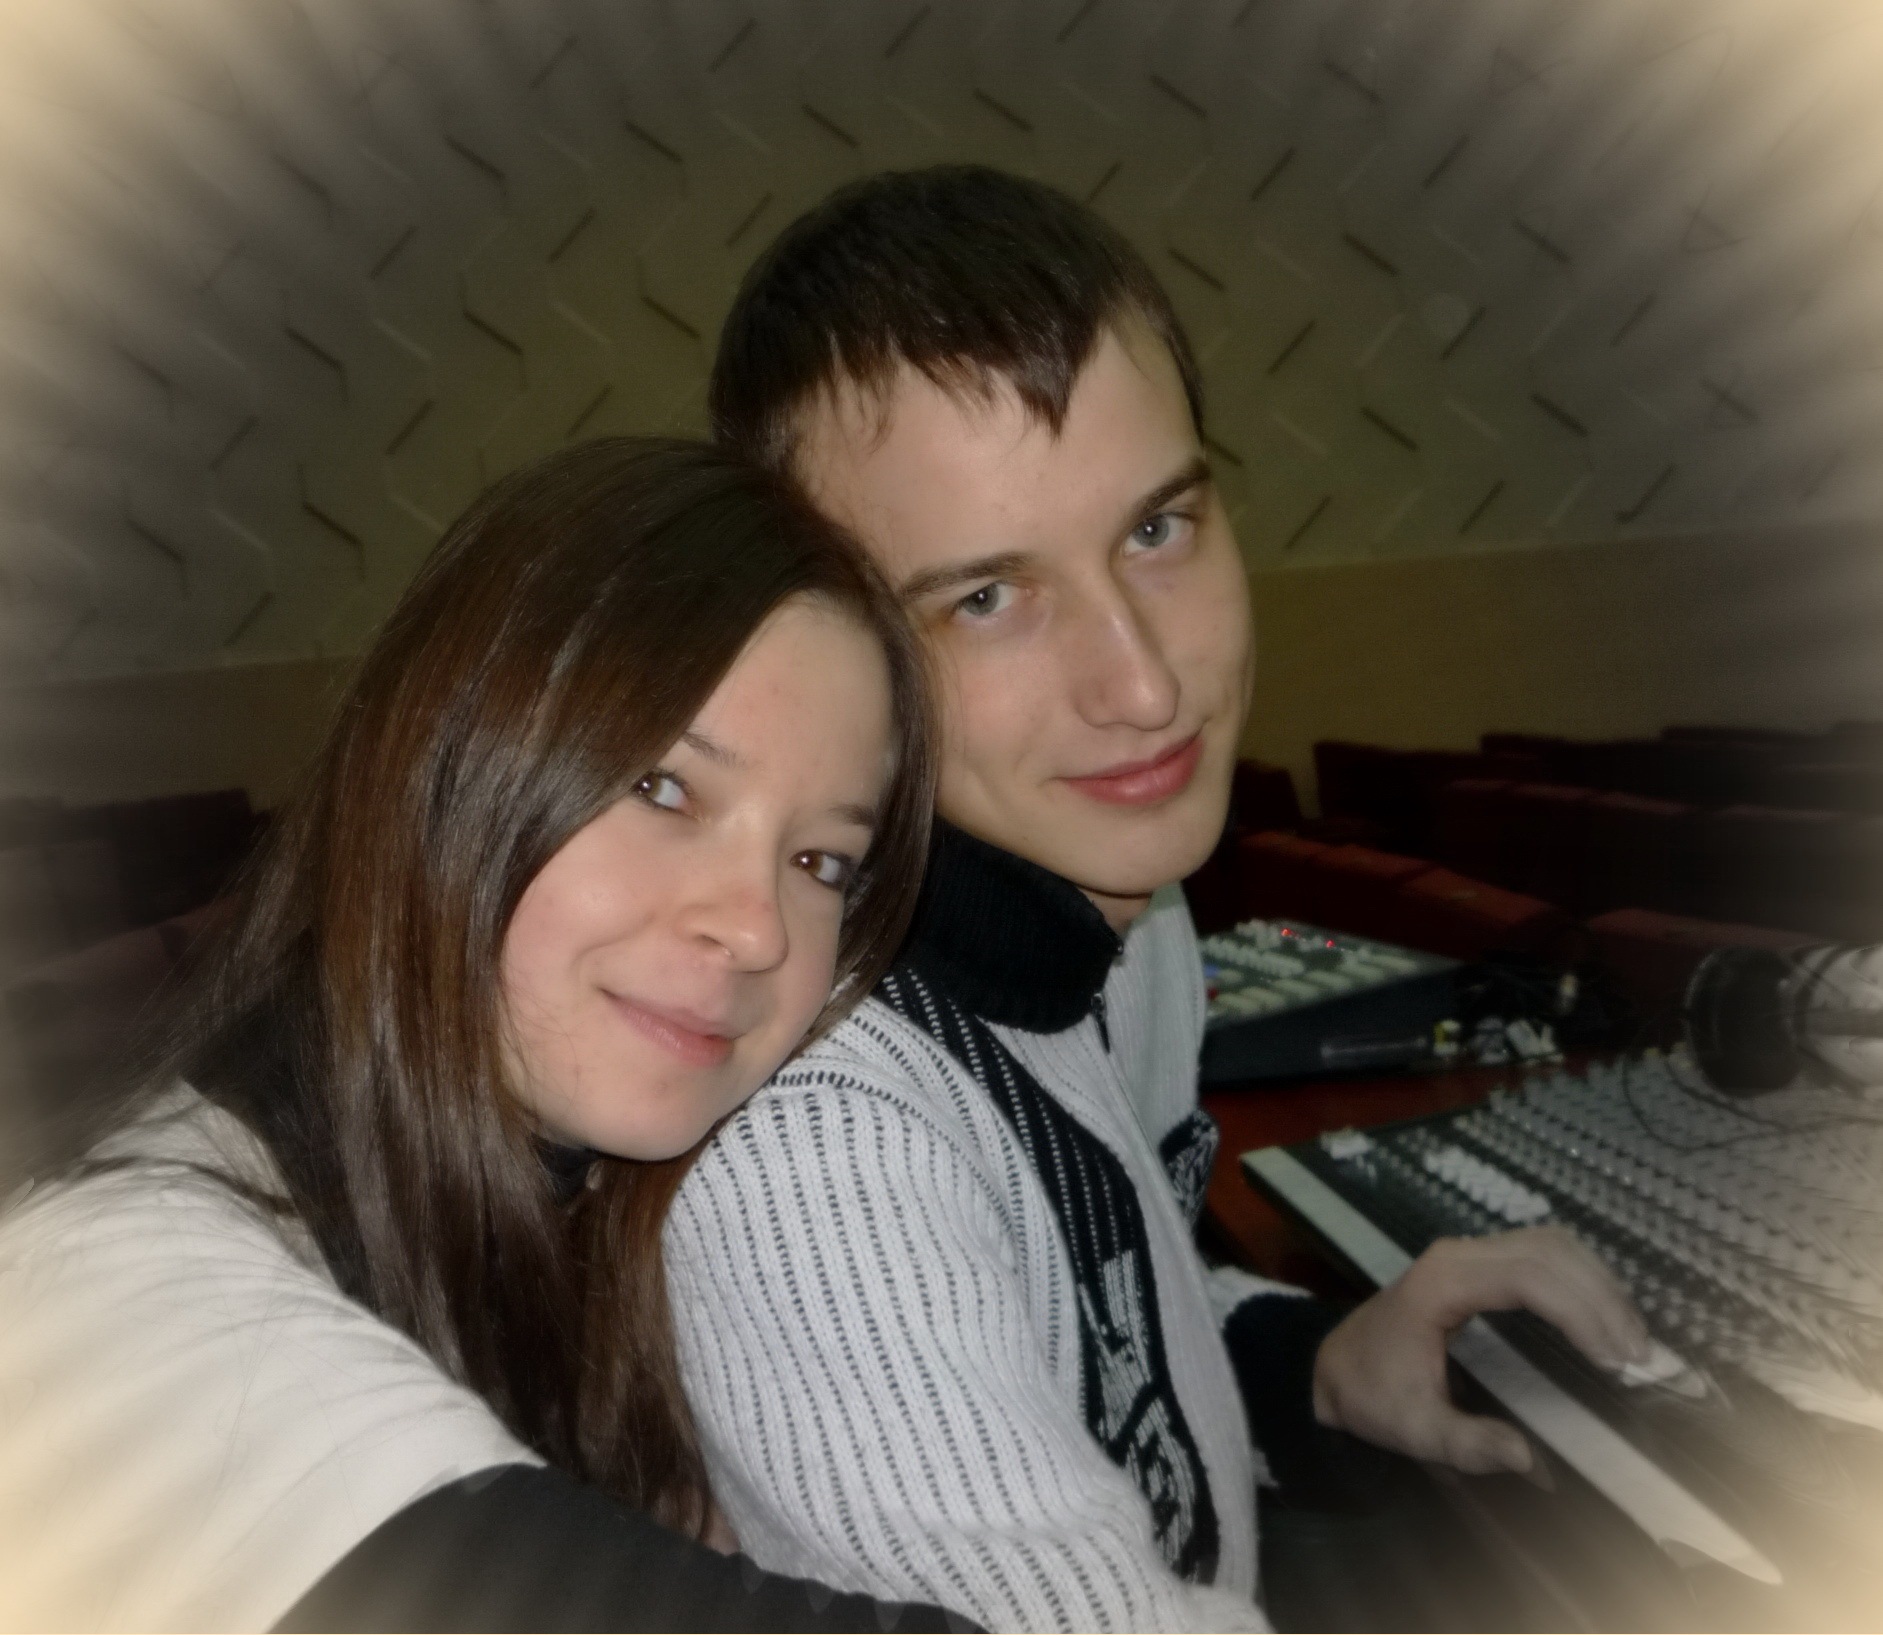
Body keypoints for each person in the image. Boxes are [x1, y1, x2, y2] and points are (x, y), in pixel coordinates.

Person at [664, 167, 1655, 1631]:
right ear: (822, 653)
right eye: (984, 598)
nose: (1141, 685)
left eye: (1154, 529)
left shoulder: (1130, 924)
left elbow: (1107, 1313)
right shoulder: (820, 1156)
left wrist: (1320, 1364)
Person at [0, 438, 968, 1632]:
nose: (758, 928)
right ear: (446, 760)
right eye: (664, 789)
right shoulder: (109, 1302)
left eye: (820, 860)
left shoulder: (599, 1230)